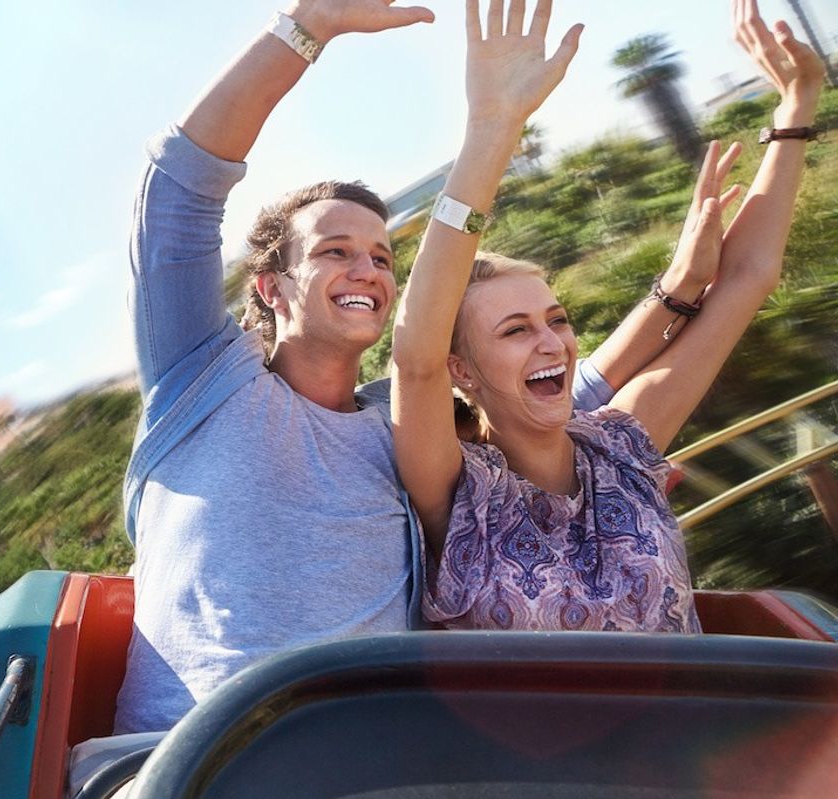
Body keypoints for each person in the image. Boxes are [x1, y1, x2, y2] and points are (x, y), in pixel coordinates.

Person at [115, 0, 723, 735]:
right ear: (271, 287)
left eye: (382, 257)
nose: (367, 268)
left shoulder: (398, 429)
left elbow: (562, 393)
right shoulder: (203, 381)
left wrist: (680, 288)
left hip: (380, 768)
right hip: (194, 758)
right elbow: (178, 191)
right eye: (336, 250)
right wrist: (308, 26)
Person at [390, 0, 825, 631]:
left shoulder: (621, 445)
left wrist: (794, 107)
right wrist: (494, 126)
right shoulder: (457, 494)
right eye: (514, 330)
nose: (552, 342)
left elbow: (747, 282)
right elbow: (414, 355)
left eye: (556, 319)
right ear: (462, 369)